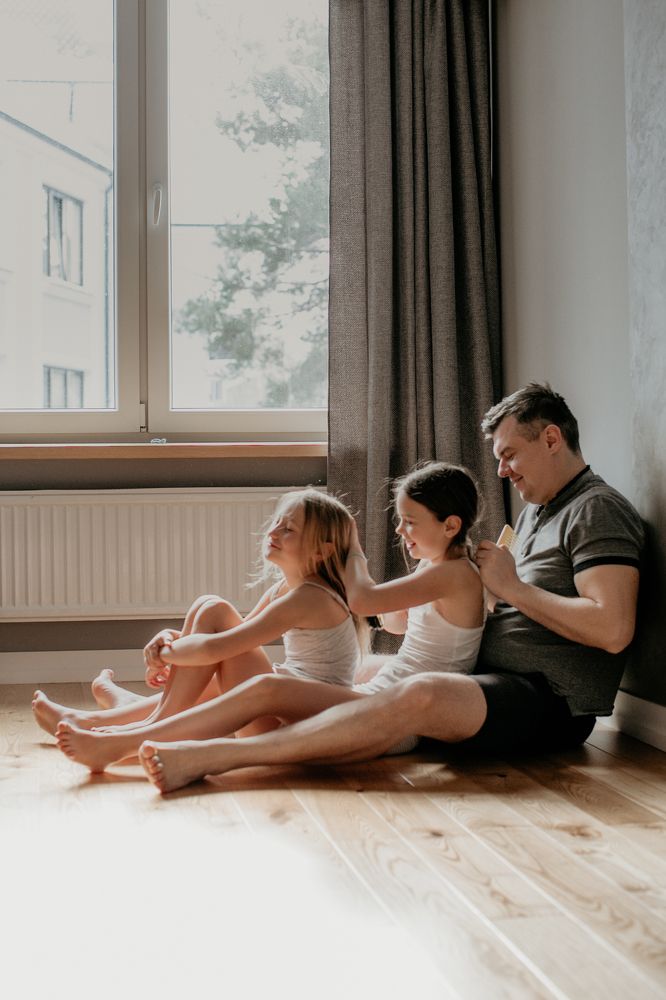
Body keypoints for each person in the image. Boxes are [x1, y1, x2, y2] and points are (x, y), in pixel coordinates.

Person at [134, 383, 644, 794]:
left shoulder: (595, 509)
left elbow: (613, 627)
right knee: (360, 668)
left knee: (418, 690)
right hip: (489, 676)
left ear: (552, 439)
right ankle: (143, 715)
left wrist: (509, 587)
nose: (501, 470)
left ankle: (218, 755)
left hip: (549, 700)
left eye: (509, 454)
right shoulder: (539, 511)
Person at [53, 463, 486, 773]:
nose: (400, 531)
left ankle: (124, 741)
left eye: (410, 522)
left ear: (450, 526)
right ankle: (124, 720)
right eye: (401, 521)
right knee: (215, 612)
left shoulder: (455, 574)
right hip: (377, 694)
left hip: (395, 719)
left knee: (268, 686)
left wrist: (353, 552)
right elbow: (394, 624)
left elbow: (363, 601)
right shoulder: (435, 570)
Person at [33, 489, 363, 743]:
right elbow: (226, 643)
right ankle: (93, 721)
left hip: (285, 728)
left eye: (288, 529)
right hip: (275, 705)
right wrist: (170, 639)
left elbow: (215, 648)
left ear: (322, 551)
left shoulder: (311, 597)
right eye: (277, 522)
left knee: (215, 609)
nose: (273, 532)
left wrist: (165, 654)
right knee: (209, 605)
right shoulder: (286, 589)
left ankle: (153, 726)